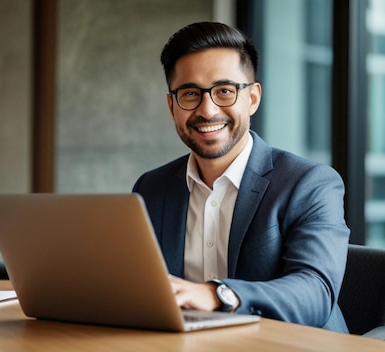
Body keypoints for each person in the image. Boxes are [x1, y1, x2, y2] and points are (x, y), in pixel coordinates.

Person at [132, 21, 350, 332]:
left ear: (252, 98)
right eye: (190, 93)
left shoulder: (310, 184)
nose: (207, 110)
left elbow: (315, 293)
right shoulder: (150, 188)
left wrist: (217, 294)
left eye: (224, 91)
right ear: (171, 106)